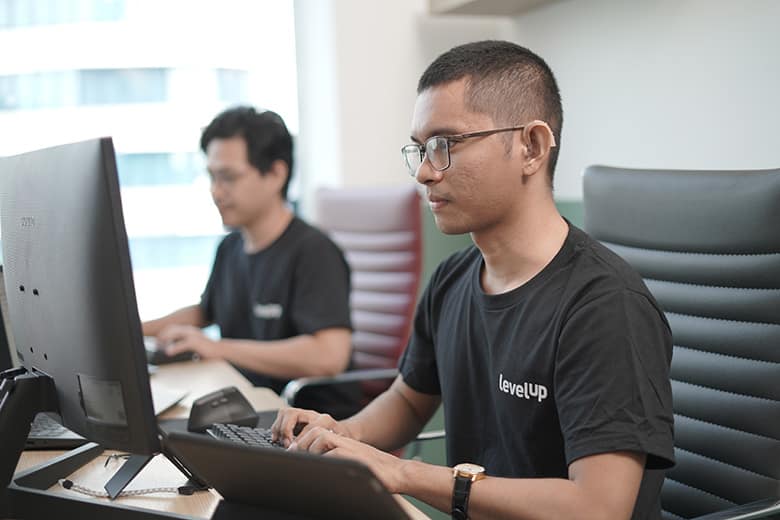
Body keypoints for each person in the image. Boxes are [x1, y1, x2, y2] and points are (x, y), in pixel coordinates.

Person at [271, 41, 675, 519]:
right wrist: (343, 435)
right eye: (420, 149)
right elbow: (407, 398)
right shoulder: (453, 279)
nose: (424, 172)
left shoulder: (605, 306)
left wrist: (402, 473)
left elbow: (597, 509)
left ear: (532, 147)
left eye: (445, 146)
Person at [143, 106, 361, 418]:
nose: (216, 191)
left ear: (275, 174)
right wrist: (135, 329)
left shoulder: (314, 251)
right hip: (253, 410)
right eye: (212, 177)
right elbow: (206, 312)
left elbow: (328, 356)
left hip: (313, 425)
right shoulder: (231, 247)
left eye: (228, 177)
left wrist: (218, 347)